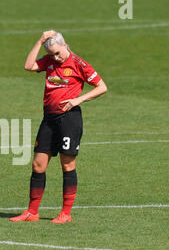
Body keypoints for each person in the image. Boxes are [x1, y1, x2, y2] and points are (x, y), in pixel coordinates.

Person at [10, 30, 107, 223]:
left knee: (67, 164)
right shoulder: (49, 61)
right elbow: (28, 66)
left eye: (57, 52)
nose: (56, 57)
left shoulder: (79, 64)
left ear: (65, 45)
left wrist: (78, 100)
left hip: (69, 119)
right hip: (49, 119)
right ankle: (32, 212)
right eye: (52, 54)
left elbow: (102, 87)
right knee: (38, 164)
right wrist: (40, 40)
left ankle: (66, 213)